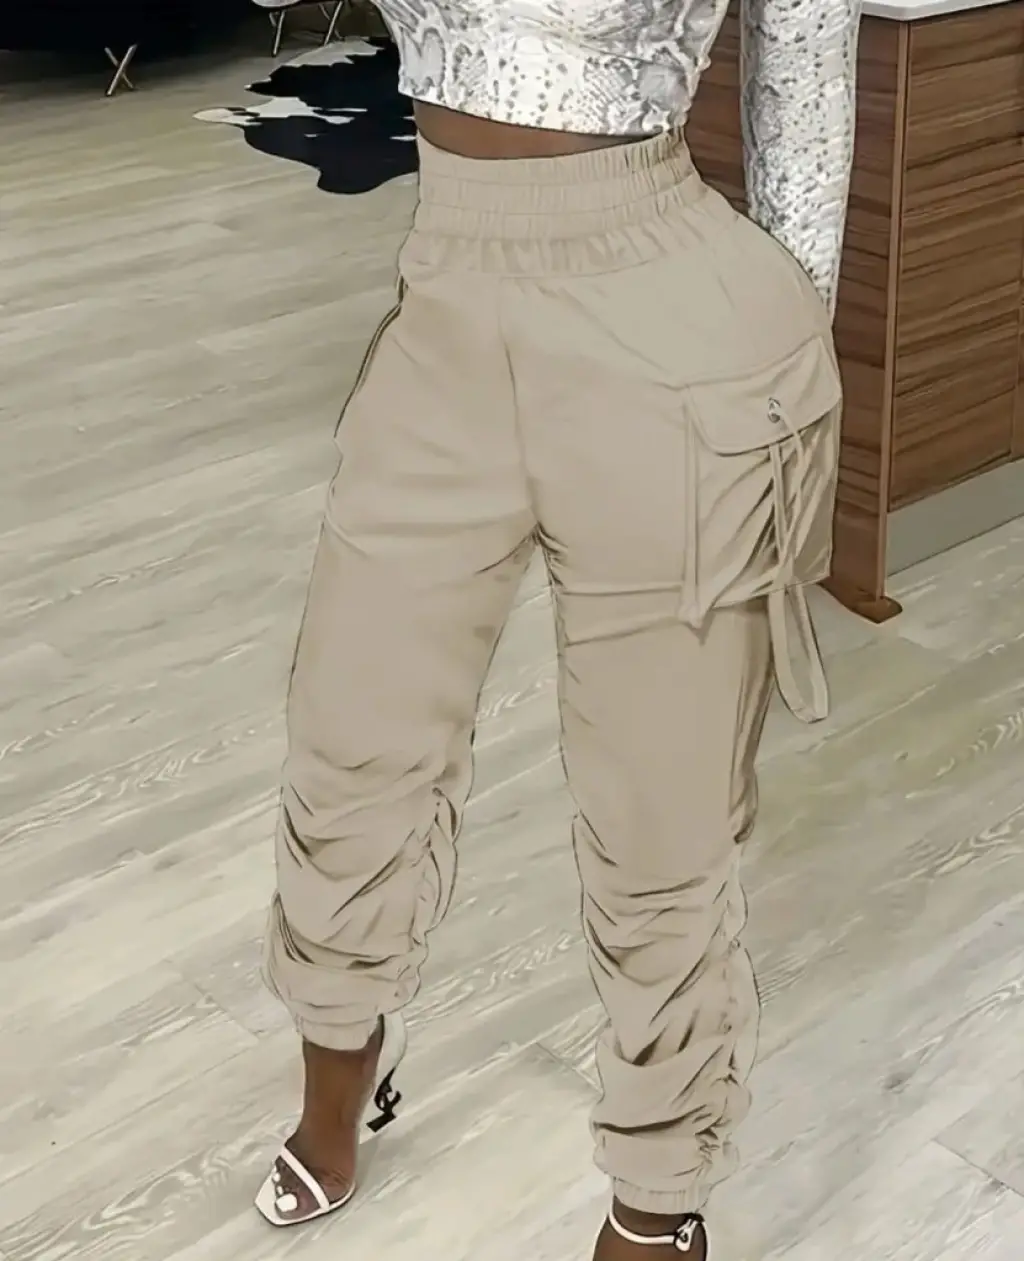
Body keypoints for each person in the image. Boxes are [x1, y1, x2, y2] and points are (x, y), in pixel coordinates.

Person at [254, 0, 859, 1254]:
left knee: (658, 819)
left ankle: (658, 1195)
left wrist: (781, 375)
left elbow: (803, 79)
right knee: (350, 739)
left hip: (673, 324)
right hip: (445, 298)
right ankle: (342, 1051)